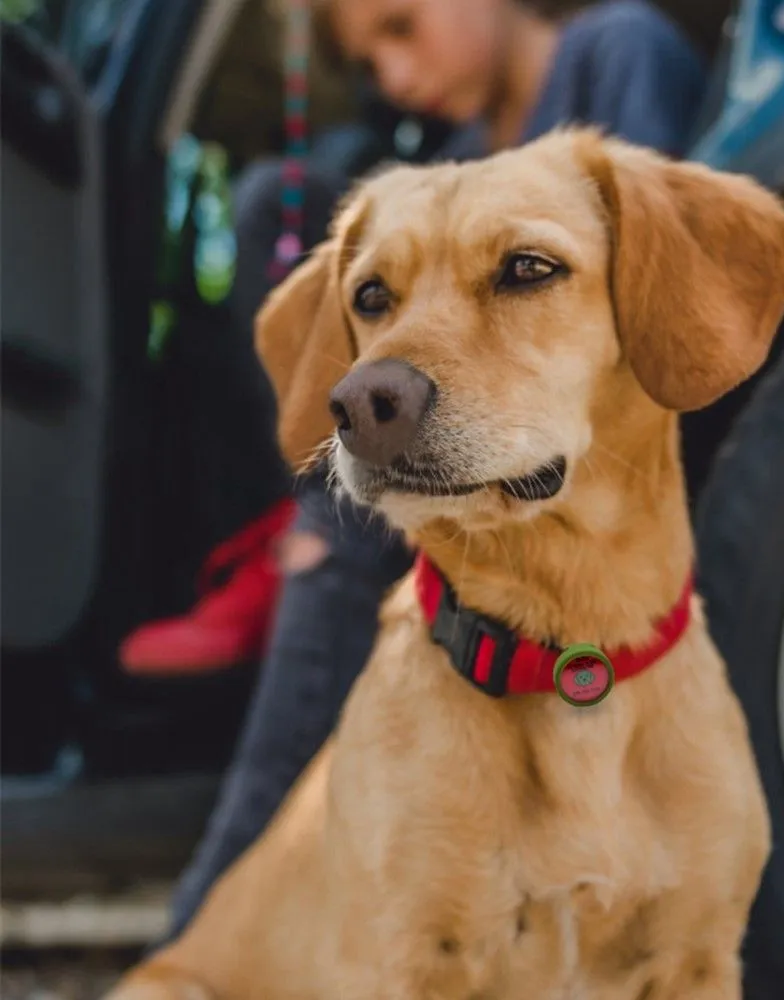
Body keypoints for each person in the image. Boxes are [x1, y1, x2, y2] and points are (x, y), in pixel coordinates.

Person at [161, 0, 707, 938]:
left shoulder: (612, 50)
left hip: (582, 489)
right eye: (374, 61)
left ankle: (193, 947)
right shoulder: (441, 150)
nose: (396, 77)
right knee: (274, 200)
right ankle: (304, 525)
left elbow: (657, 310)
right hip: (441, 489)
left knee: (330, 567)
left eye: (401, 27)